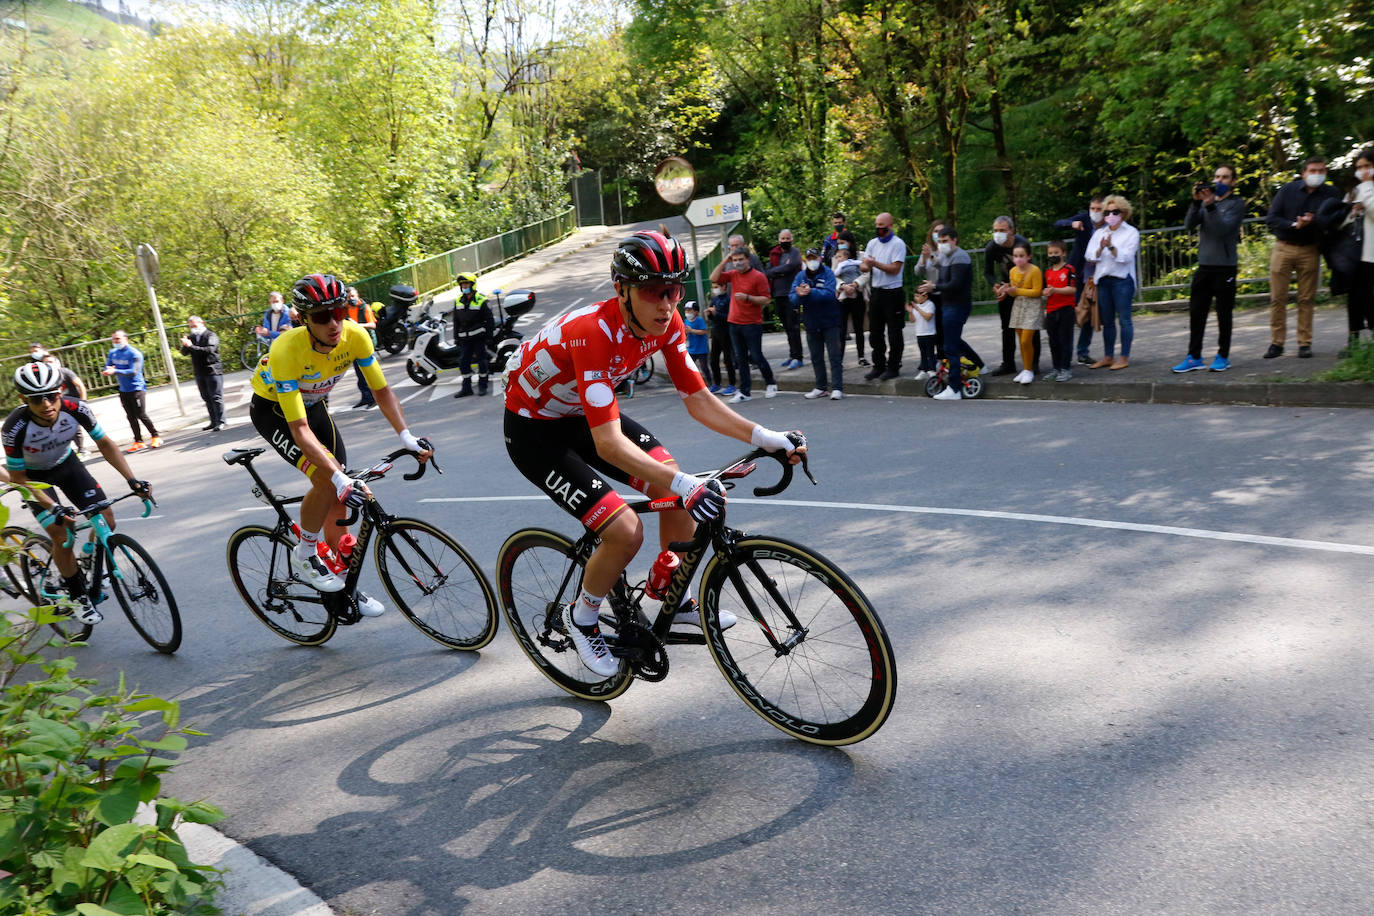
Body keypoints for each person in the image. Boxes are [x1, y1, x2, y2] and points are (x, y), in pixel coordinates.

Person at [503, 230, 806, 677]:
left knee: (673, 479)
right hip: (534, 432)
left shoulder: (669, 324)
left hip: (580, 415)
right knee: (626, 531)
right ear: (622, 291)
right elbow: (607, 443)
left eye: (674, 289)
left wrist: (766, 437)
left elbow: (699, 399)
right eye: (652, 291)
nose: (666, 303)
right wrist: (686, 487)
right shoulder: (593, 332)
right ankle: (583, 616)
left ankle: (672, 597)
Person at [249, 273, 433, 615]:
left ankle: (343, 585)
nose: (334, 322)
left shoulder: (355, 336)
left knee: (341, 487)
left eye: (339, 311)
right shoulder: (286, 349)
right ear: (304, 320)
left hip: (315, 405)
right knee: (326, 478)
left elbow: (381, 391)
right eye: (322, 316)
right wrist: (334, 476)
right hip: (275, 412)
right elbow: (299, 428)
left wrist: (406, 437)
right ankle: (305, 553)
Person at [4, 361, 153, 624]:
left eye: (51, 395)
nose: (46, 404)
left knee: (106, 518)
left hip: (66, 464)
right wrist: (53, 508)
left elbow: (105, 444)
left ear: (61, 390)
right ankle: (77, 596)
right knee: (62, 536)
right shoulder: (14, 428)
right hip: (34, 479)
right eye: (37, 399)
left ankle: (87, 555)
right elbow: (18, 479)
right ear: (23, 399)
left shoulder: (76, 408)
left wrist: (132, 480)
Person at [1263, 156, 1343, 358]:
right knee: (1277, 298)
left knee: (1307, 299)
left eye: (1322, 171)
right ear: (1304, 173)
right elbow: (1272, 219)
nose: (1318, 175)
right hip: (1283, 248)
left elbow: (1337, 221)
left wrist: (1315, 221)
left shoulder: (1331, 193)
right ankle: (1276, 343)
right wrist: (1293, 225)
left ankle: (1304, 343)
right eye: (1314, 171)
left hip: (1310, 250)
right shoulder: (1287, 190)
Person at [1173, 165, 1246, 373]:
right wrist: (1196, 204)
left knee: (1224, 314)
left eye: (1225, 177)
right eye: (1216, 177)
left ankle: (1223, 355)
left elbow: (1223, 229)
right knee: (1196, 313)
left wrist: (1211, 206)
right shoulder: (1206, 203)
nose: (1219, 181)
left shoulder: (1236, 203)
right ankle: (1194, 356)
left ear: (1233, 181)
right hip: (1204, 266)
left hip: (1225, 268)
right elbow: (1189, 225)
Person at [710, 246, 777, 403]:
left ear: (748, 259)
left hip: (752, 323)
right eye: (735, 260)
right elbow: (714, 278)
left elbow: (766, 300)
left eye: (741, 259)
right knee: (740, 359)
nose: (738, 263)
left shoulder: (758, 276)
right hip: (734, 323)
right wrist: (725, 260)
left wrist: (748, 298)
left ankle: (771, 383)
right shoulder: (733, 274)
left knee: (756, 356)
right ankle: (745, 392)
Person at [1085, 196, 1141, 370]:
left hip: (1122, 281)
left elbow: (1126, 257)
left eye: (1114, 212)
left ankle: (1124, 357)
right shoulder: (1100, 233)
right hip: (1103, 281)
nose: (1110, 215)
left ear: (1123, 213)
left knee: (1125, 320)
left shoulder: (1131, 232)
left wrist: (1111, 247)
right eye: (1107, 212)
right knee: (1107, 321)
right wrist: (1101, 247)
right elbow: (1089, 256)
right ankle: (1108, 356)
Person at [920, 226, 976, 400]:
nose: (942, 244)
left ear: (954, 240)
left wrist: (934, 286)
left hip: (957, 305)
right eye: (940, 241)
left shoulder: (960, 256)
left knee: (950, 347)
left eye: (945, 241)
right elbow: (940, 267)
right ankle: (978, 365)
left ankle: (955, 388)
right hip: (947, 305)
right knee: (951, 343)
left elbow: (955, 284)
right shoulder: (946, 255)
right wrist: (929, 257)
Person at [1055, 196, 1106, 365]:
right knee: (1069, 312)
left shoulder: (1110, 223)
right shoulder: (1084, 218)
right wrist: (1072, 224)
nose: (1095, 212)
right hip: (1077, 272)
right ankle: (1064, 353)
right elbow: (1058, 223)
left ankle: (1082, 352)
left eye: (1099, 209)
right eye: (1093, 208)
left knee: (1089, 313)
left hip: (1096, 275)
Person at [983, 216, 1034, 376]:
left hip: (1025, 289)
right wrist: (995, 285)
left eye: (1002, 230)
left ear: (1011, 230)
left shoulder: (1022, 244)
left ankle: (1033, 363)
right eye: (996, 230)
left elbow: (1030, 269)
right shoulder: (991, 247)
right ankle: (1008, 364)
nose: (998, 234)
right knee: (1007, 328)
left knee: (1029, 327)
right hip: (1005, 289)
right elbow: (988, 272)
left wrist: (1016, 288)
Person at [861, 212, 908, 380]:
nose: (879, 229)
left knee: (894, 332)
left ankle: (894, 366)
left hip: (893, 291)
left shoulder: (898, 244)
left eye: (882, 225)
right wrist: (866, 266)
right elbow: (864, 266)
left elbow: (895, 269)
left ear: (890, 225)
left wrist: (875, 264)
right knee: (875, 332)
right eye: (877, 225)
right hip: (877, 291)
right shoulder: (872, 243)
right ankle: (878, 365)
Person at [791, 247, 844, 400]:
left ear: (819, 259)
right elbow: (792, 297)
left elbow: (829, 293)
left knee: (834, 355)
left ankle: (837, 388)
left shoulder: (827, 273)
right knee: (816, 356)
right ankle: (820, 387)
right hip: (811, 321)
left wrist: (810, 292)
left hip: (830, 320)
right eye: (809, 258)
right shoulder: (800, 276)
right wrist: (799, 296)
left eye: (814, 258)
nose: (812, 261)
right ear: (805, 260)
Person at [101, 330, 162, 451]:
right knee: (130, 416)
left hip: (136, 388)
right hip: (123, 389)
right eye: (114, 339)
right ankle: (138, 440)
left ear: (126, 339)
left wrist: (115, 371)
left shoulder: (134, 353)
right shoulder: (113, 352)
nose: (116, 341)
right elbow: (108, 366)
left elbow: (133, 371)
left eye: (118, 339)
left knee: (141, 414)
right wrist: (106, 370)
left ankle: (155, 436)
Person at [999, 244, 1044, 385]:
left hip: (1032, 306)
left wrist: (1017, 291)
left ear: (1028, 256)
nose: (1018, 259)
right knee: (1020, 339)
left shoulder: (1035, 270)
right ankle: (1025, 369)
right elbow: (1014, 289)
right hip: (1018, 306)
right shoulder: (1012, 271)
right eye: (1015, 256)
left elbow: (1037, 291)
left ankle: (1029, 369)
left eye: (1021, 256)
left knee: (1026, 340)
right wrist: (1006, 290)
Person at [449, 272, 495, 399]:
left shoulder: (482, 300)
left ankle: (483, 386)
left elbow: (489, 320)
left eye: (466, 284)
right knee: (463, 363)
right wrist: (456, 338)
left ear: (473, 285)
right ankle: (466, 388)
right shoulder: (458, 300)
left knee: (482, 362)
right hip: (464, 339)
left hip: (478, 338)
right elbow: (455, 321)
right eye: (462, 284)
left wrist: (489, 337)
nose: (464, 286)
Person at [179, 315, 226, 430]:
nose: (193, 328)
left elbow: (209, 350)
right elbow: (184, 352)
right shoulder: (192, 337)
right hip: (199, 371)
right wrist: (186, 345)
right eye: (191, 327)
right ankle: (213, 421)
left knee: (216, 396)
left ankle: (221, 421)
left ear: (202, 323)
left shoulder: (211, 335)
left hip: (212, 370)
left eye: (194, 326)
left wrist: (192, 346)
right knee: (206, 397)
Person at [766, 229, 804, 368]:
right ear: (779, 240)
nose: (785, 241)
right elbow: (767, 272)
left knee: (794, 327)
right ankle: (791, 354)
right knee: (787, 328)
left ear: (792, 240)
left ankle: (798, 357)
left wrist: (777, 271)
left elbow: (791, 266)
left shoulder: (794, 252)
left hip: (791, 294)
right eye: (783, 238)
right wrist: (780, 270)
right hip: (778, 294)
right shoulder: (774, 254)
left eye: (788, 238)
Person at [1041, 240, 1078, 382]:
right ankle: (1056, 368)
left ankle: (1065, 368)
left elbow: (1072, 289)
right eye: (1050, 253)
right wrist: (1045, 292)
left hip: (1066, 309)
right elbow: (1044, 290)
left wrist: (1055, 290)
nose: (1053, 255)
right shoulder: (1048, 272)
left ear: (1063, 253)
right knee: (1053, 341)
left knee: (1065, 340)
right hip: (1051, 310)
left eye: (1056, 253)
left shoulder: (1069, 269)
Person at [832, 238, 868, 367]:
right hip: (843, 295)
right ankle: (839, 359)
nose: (841, 245)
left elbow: (866, 273)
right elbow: (834, 275)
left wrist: (855, 284)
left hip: (857, 293)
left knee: (859, 328)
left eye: (844, 241)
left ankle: (861, 356)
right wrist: (843, 286)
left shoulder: (860, 257)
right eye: (839, 242)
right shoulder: (836, 259)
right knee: (841, 329)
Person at [344, 287, 379, 409]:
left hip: (366, 342)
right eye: (348, 297)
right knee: (359, 373)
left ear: (357, 295)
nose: (351, 299)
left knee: (367, 372)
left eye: (352, 296)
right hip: (353, 344)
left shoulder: (365, 307)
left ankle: (374, 398)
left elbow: (372, 325)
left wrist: (357, 326)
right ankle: (366, 397)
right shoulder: (345, 309)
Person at [704, 280, 737, 396]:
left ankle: (732, 384)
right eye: (713, 287)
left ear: (724, 286)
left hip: (726, 332)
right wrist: (710, 315)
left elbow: (730, 317)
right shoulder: (715, 299)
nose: (715, 289)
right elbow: (714, 318)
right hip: (716, 332)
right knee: (713, 359)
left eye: (717, 287)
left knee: (728, 359)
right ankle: (716, 384)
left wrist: (716, 313)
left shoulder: (729, 299)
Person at [906, 291, 937, 381]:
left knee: (930, 353)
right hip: (919, 333)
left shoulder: (930, 304)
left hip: (929, 333)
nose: (916, 298)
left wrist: (917, 308)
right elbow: (912, 320)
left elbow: (928, 317)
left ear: (925, 296)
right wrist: (911, 312)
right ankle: (924, 370)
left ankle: (932, 370)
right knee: (923, 353)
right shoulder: (917, 306)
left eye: (918, 296)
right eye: (915, 296)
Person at [683, 301, 712, 386]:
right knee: (689, 367)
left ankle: (710, 383)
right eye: (686, 310)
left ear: (696, 311)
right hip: (692, 349)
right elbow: (685, 333)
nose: (687, 312)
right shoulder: (686, 321)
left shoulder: (699, 320)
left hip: (701, 349)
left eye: (690, 310)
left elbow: (703, 331)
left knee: (704, 367)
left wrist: (692, 330)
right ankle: (691, 384)